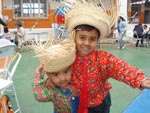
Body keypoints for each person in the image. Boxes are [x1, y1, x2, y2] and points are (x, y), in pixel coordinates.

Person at [36, 0, 150, 113]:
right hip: (75, 102)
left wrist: (140, 80)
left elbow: (121, 68)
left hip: (100, 104)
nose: (86, 43)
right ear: (74, 36)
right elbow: (56, 69)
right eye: (82, 37)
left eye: (92, 39)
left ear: (97, 40)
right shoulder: (67, 56)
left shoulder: (103, 59)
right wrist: (49, 80)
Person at [32, 37, 79, 113]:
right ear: (49, 76)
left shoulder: (76, 82)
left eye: (66, 72)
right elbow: (40, 96)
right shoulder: (53, 90)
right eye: (56, 75)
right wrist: (38, 77)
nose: (62, 78)